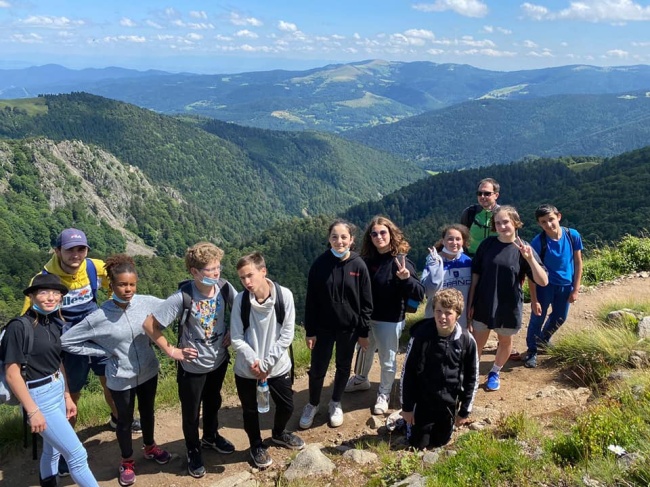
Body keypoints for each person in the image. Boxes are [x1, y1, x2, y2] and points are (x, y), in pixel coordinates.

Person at [22, 228, 130, 477]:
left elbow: (119, 280)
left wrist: (115, 307)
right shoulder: (44, 278)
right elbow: (29, 315)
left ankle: (117, 419)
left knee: (111, 382)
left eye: (81, 249)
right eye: (70, 249)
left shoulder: (94, 268)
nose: (76, 254)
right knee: (71, 396)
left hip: (98, 337)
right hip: (68, 346)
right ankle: (64, 449)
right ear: (57, 250)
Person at [61, 254, 172, 486]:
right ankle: (127, 461)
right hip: (120, 377)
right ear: (110, 285)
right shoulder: (99, 317)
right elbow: (67, 341)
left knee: (148, 412)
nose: (128, 289)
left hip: (149, 370)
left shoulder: (146, 302)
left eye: (132, 284)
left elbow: (172, 306)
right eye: (122, 284)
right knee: (124, 421)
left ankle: (150, 447)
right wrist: (103, 351)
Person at [142, 242, 236, 479]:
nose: (216, 273)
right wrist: (172, 351)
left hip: (218, 360)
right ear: (194, 271)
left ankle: (211, 437)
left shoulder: (225, 288)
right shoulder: (182, 297)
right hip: (192, 368)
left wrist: (233, 332)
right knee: (192, 412)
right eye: (210, 270)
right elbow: (149, 325)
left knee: (214, 401)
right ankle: (193, 449)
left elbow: (240, 311)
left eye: (218, 267)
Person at [0, 274, 99, 487]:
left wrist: (67, 396)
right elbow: (12, 374)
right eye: (44, 292)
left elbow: (58, 362)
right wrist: (32, 411)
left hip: (57, 388)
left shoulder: (53, 322)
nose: (51, 297)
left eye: (56, 293)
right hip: (38, 396)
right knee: (77, 455)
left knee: (52, 450)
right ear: (32, 296)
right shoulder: (19, 327)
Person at [231, 252, 305, 469]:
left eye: (250, 275)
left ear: (263, 271)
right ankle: (256, 445)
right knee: (250, 410)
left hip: (276, 366)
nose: (246, 282)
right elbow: (236, 337)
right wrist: (255, 362)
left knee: (287, 405)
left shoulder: (284, 295)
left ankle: (279, 433)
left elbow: (287, 335)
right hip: (248, 369)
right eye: (242, 278)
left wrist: (266, 364)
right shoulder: (240, 300)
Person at [344, 216, 424, 416]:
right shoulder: (365, 260)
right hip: (367, 317)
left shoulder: (400, 261)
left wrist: (406, 279)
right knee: (364, 350)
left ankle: (384, 393)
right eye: (374, 233)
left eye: (383, 232)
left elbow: (419, 293)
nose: (379, 236)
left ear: (391, 234)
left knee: (387, 358)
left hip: (390, 319)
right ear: (369, 237)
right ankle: (361, 379)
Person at [299, 219, 373, 429]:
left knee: (343, 366)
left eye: (343, 237)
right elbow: (311, 301)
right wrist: (310, 331)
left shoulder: (359, 265)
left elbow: (366, 303)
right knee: (317, 368)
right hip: (323, 328)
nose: (339, 241)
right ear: (329, 239)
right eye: (334, 237)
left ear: (351, 240)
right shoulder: (320, 264)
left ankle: (335, 402)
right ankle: (312, 404)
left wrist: (363, 332)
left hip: (348, 329)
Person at [467, 205, 548, 392]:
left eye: (506, 222)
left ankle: (495, 371)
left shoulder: (524, 248)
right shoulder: (487, 245)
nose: (502, 226)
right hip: (483, 302)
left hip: (508, 306)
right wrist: (471, 303)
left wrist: (530, 259)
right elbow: (476, 276)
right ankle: (472, 373)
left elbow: (543, 281)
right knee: (477, 342)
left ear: (515, 223)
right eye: (498, 223)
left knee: (505, 341)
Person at [400, 288, 478, 450]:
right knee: (418, 444)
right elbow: (407, 372)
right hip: (423, 402)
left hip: (448, 404)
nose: (442, 317)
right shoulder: (420, 335)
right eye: (438, 311)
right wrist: (406, 407)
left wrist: (464, 411)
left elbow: (472, 377)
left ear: (458, 315)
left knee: (440, 442)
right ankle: (405, 422)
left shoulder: (466, 340)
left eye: (448, 313)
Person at [523, 204, 583, 368]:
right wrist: (534, 300)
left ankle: (543, 340)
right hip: (544, 286)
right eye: (543, 222)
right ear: (539, 224)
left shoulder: (572, 235)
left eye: (551, 219)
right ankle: (532, 351)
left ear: (559, 216)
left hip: (566, 285)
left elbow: (578, 262)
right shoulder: (538, 242)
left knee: (560, 317)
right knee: (537, 318)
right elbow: (532, 273)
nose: (548, 224)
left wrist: (576, 289)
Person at [421, 224, 473, 329]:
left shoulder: (468, 262)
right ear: (443, 241)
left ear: (463, 241)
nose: (454, 242)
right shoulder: (434, 261)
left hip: (461, 321)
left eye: (458, 239)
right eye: (450, 239)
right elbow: (428, 291)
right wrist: (435, 267)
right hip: (435, 319)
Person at [460, 178, 500, 256]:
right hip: (472, 260)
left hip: (496, 260)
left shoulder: (505, 215)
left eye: (487, 193)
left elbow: (512, 239)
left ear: (496, 195)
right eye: (479, 193)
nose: (482, 196)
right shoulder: (469, 213)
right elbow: (461, 237)